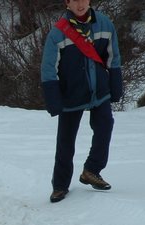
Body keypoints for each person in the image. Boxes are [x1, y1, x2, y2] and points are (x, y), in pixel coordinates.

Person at [41, 0, 122, 203]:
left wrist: (114, 86)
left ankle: (92, 170)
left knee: (105, 127)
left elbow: (113, 57)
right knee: (66, 142)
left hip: (99, 91)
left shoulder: (105, 24)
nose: (80, 4)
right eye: (74, 0)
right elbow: (48, 68)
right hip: (71, 94)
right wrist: (54, 99)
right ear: (67, 3)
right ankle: (60, 186)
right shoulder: (58, 32)